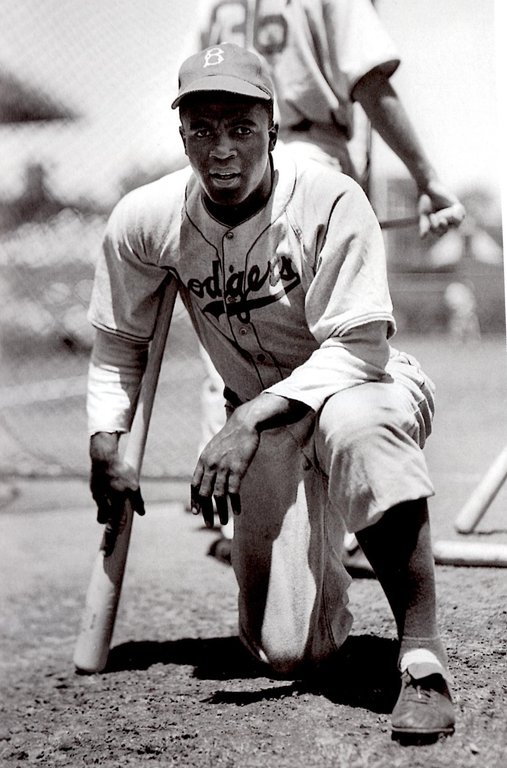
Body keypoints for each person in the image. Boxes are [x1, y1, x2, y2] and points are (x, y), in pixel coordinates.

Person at [87, 43, 456, 740]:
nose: (220, 149)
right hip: (260, 427)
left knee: (354, 426)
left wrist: (247, 418)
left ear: (273, 131)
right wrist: (105, 439)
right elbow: (118, 342)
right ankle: (328, 550)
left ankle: (421, 660)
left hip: (361, 385)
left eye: (239, 128)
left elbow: (359, 345)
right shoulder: (146, 218)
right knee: (288, 654)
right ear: (182, 136)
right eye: (201, 129)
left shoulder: (327, 197)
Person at [192, 0, 465, 557]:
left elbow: (202, 88)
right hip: (305, 157)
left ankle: (234, 518)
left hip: (233, 156)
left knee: (229, 333)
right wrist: (429, 181)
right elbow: (368, 81)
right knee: (332, 345)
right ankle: (340, 517)